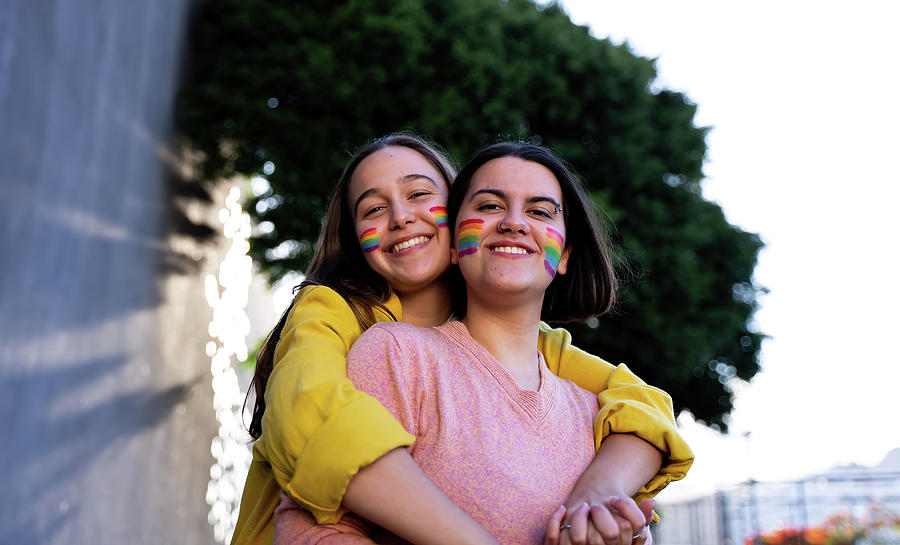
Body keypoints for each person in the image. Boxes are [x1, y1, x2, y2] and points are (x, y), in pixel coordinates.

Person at [231, 134, 693, 545]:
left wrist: (597, 502)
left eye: (419, 194)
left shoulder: (543, 353)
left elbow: (642, 402)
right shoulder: (340, 319)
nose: (400, 217)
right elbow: (315, 424)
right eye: (373, 209)